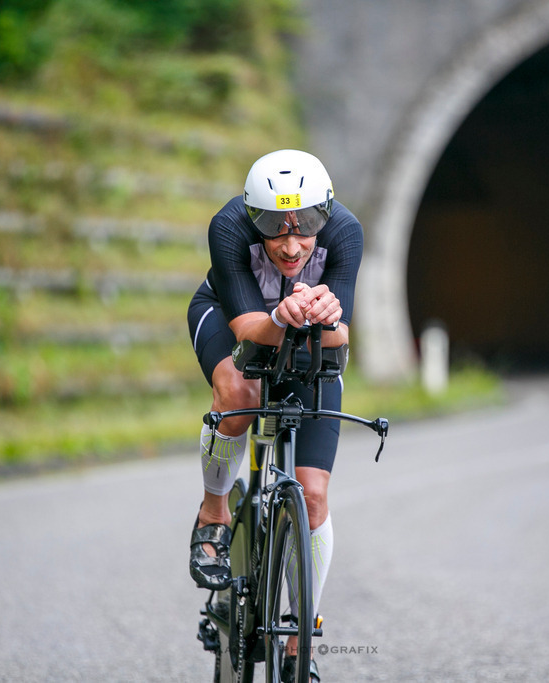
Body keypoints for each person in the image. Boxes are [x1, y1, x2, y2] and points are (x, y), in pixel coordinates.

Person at [187, 149, 363, 682]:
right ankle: (214, 513)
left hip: (308, 336)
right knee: (238, 393)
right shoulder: (228, 227)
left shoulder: (346, 232)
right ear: (253, 217)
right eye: (274, 229)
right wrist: (282, 318)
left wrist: (326, 318)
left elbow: (341, 337)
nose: (291, 245)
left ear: (324, 213)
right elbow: (248, 331)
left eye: (305, 227)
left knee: (313, 495)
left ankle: (298, 639)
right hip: (230, 317)